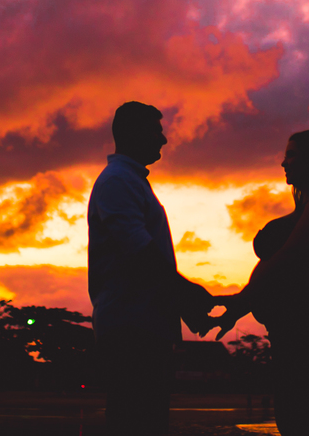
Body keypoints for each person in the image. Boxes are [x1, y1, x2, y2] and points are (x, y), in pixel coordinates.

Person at [212, 130, 309, 436]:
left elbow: (287, 259)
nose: (283, 162)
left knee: (305, 418)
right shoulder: (305, 208)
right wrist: (241, 305)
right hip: (297, 323)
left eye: (292, 155)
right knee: (295, 417)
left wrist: (242, 300)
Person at [87, 101, 216, 436]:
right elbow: (139, 253)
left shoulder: (129, 180)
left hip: (142, 323)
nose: (164, 140)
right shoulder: (118, 181)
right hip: (132, 326)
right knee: (138, 420)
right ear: (133, 133)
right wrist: (186, 293)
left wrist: (180, 302)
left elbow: (142, 259)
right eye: (157, 130)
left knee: (145, 419)